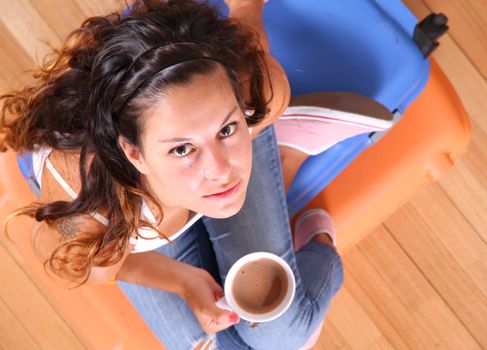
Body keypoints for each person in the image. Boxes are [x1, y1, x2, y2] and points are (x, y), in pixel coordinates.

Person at [0, 1, 343, 349]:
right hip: (124, 203)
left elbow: (249, 37)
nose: (221, 172)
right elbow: (92, 268)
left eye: (227, 129)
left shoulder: (262, 92)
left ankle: (288, 161)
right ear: (135, 153)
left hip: (210, 128)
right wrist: (183, 281)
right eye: (182, 149)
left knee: (283, 334)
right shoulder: (91, 213)